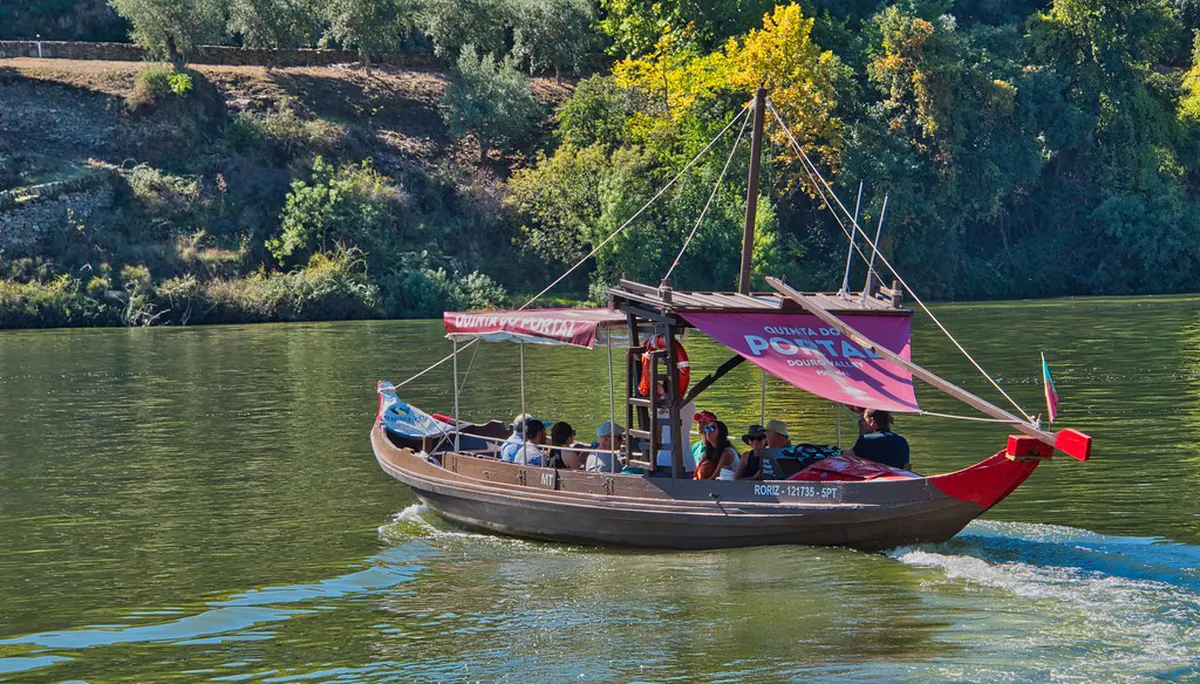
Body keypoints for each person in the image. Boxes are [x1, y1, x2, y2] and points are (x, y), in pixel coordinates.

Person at [843, 408, 910, 470]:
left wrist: (836, 452)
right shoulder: (902, 441)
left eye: (864, 420)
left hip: (876, 480)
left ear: (872, 421)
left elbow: (850, 456)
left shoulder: (867, 440)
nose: (862, 424)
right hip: (900, 479)